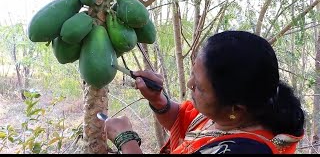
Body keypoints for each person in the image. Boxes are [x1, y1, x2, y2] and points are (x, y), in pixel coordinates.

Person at [103, 31, 305, 154]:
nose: (190, 84)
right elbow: (183, 119)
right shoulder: (230, 114)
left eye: (199, 86)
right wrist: (158, 99)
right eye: (192, 74)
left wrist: (125, 140)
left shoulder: (247, 150)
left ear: (235, 109)